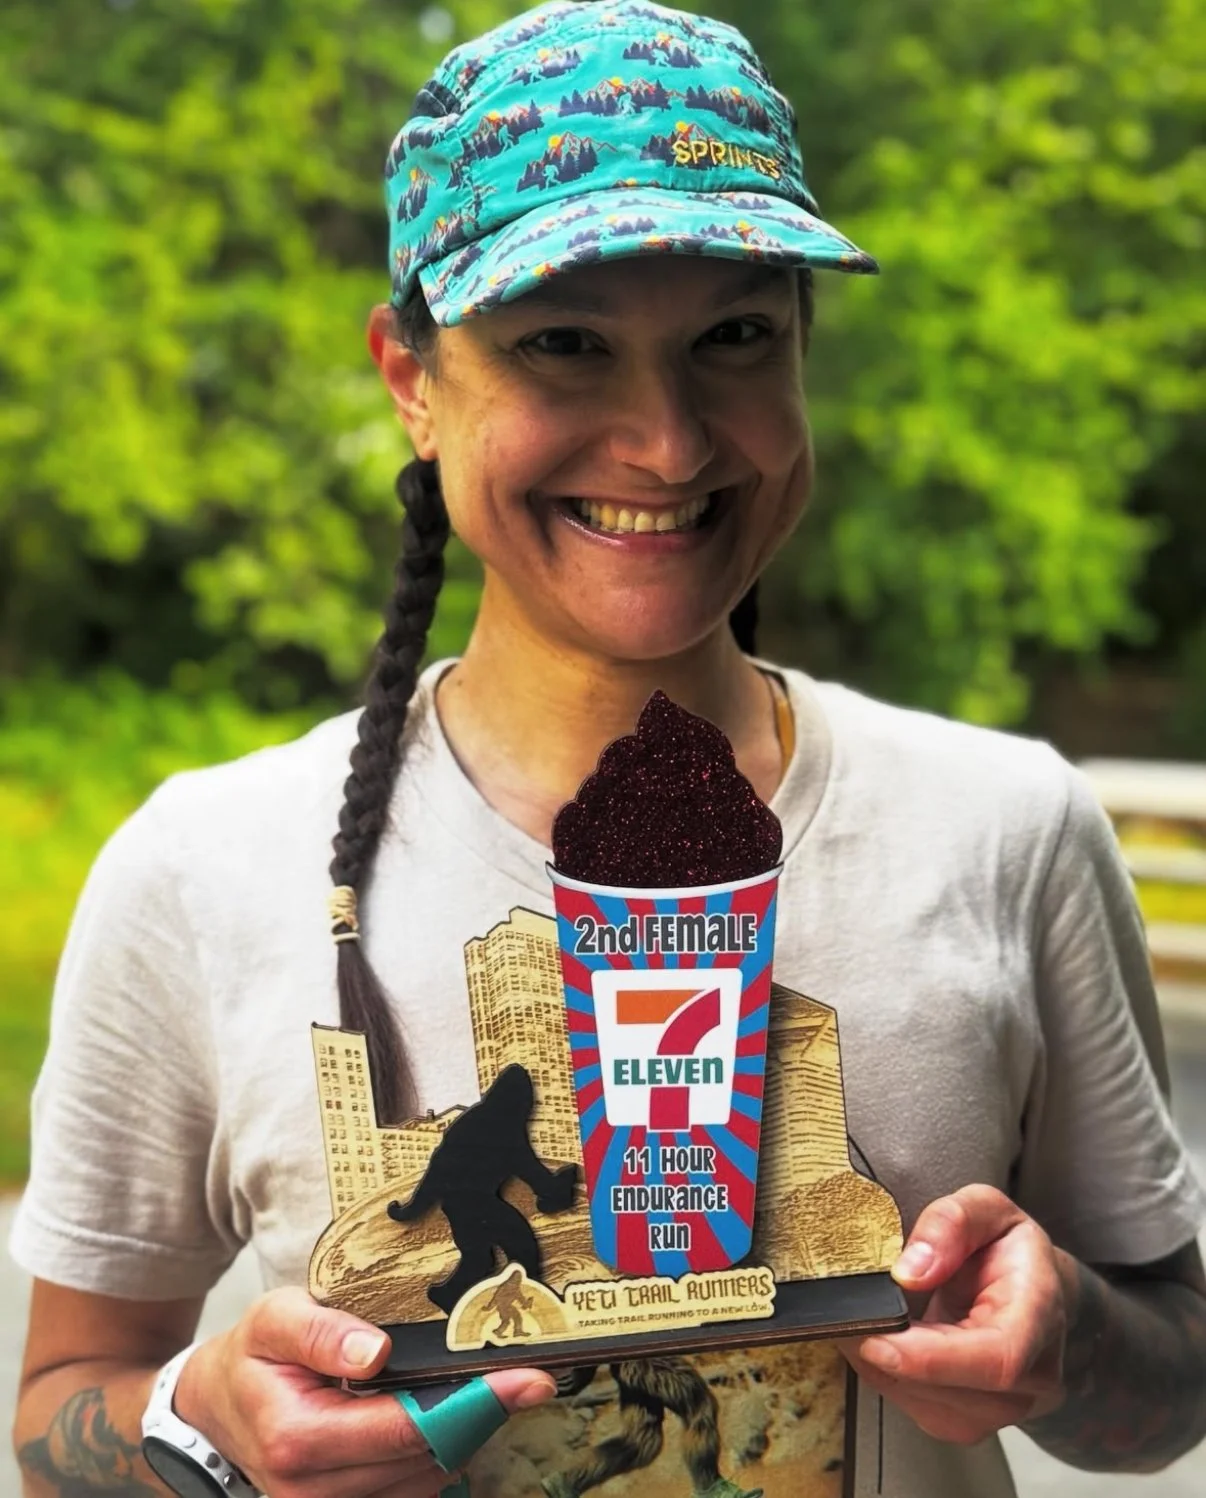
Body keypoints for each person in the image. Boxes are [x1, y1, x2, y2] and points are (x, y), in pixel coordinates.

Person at [11, 2, 1206, 1496]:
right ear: (412, 380)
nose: (668, 440)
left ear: (802, 352)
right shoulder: (203, 871)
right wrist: (202, 1422)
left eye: (734, 338)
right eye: (563, 345)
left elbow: (1171, 1376)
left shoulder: (1006, 831)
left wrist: (1073, 1336)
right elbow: (58, 1407)